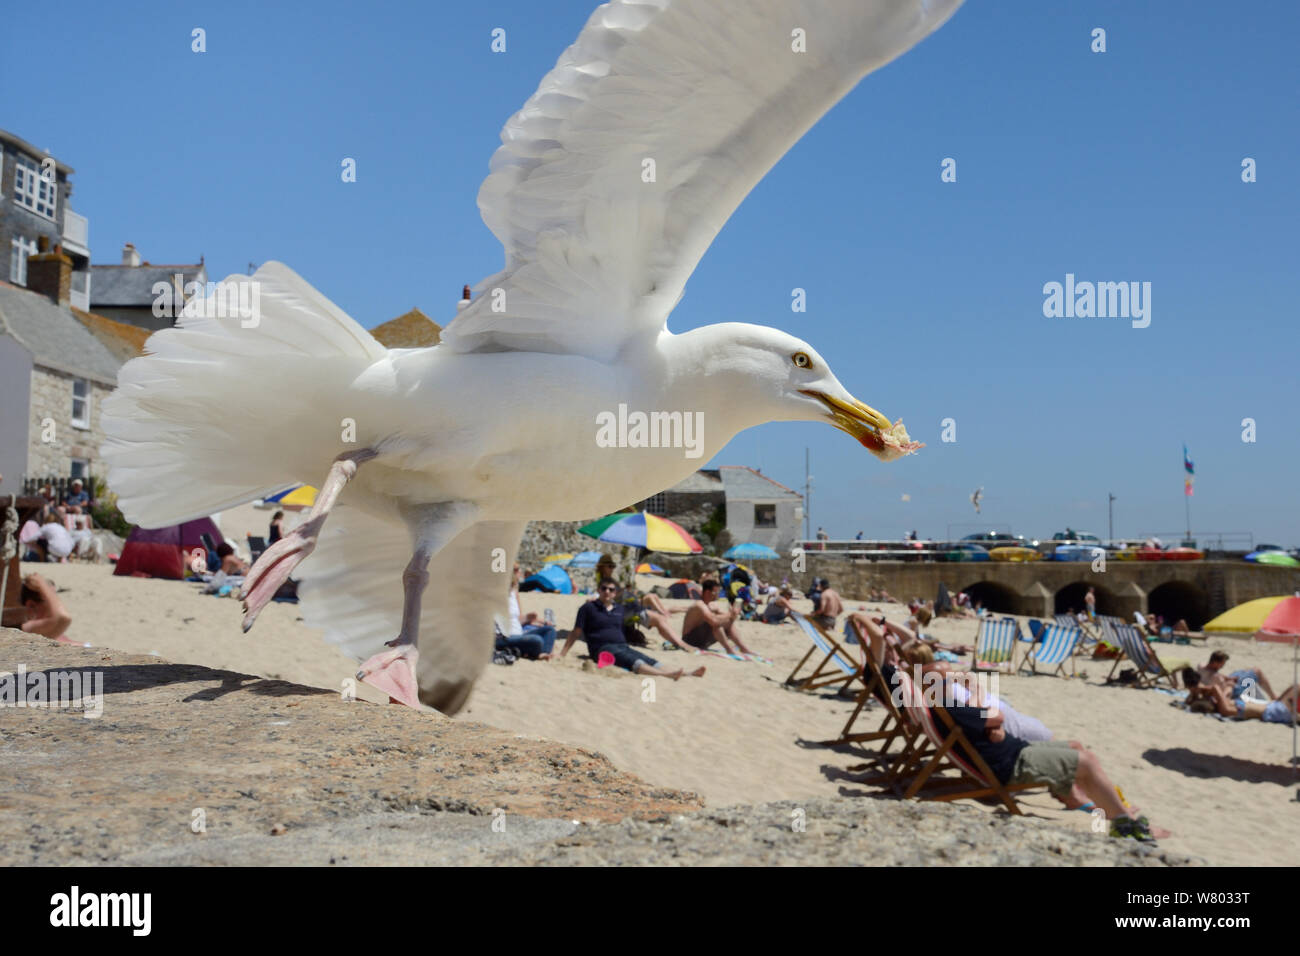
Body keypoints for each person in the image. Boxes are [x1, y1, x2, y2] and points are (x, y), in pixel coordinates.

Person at [557, 578, 705, 679]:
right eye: (604, 589)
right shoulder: (588, 608)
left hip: (622, 645)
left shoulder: (619, 609)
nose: (607, 591)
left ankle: (687, 673)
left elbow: (627, 625)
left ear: (615, 593)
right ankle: (666, 675)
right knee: (633, 661)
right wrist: (563, 653)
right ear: (599, 590)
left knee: (649, 659)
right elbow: (576, 632)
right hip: (601, 648)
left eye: (611, 589)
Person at [1182, 669, 1298, 724]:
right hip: (1274, 712)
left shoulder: (1226, 703)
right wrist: (1215, 691)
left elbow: (1218, 694)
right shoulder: (1225, 709)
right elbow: (1221, 700)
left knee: (1294, 687)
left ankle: (1279, 700)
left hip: (1273, 706)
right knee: (1297, 687)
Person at [678, 579, 754, 654]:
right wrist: (730, 614)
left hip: (701, 640)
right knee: (717, 624)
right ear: (708, 593)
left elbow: (727, 618)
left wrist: (733, 614)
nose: (718, 594)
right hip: (689, 641)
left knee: (728, 623)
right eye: (716, 592)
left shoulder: (712, 605)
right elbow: (713, 620)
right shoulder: (699, 605)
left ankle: (743, 648)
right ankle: (729, 649)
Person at [498, 564, 556, 659]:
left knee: (550, 630)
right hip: (504, 637)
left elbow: (518, 619)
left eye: (518, 570)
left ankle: (543, 654)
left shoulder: (513, 594)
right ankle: (535, 653)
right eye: (516, 570)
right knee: (536, 640)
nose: (519, 572)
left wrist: (530, 618)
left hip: (519, 633)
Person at [1197, 650, 1277, 701]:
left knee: (1241, 671)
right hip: (1234, 689)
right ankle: (1273, 696)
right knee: (1257, 671)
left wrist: (1228, 678)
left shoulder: (1200, 666)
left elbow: (1213, 673)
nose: (1222, 667)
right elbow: (1224, 690)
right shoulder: (1216, 677)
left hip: (1223, 683)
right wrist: (1229, 682)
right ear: (1215, 662)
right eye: (1221, 665)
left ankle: (1246, 671)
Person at [19, 574, 74, 642]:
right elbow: (63, 618)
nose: (55, 604)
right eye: (51, 599)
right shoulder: (28, 628)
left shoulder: (46, 627)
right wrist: (41, 582)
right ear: (31, 605)